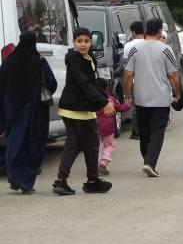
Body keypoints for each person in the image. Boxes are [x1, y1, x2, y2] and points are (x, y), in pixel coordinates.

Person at [54, 28, 115, 195]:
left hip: (81, 108)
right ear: (73, 42)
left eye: (86, 41)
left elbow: (93, 82)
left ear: (91, 42)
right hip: (76, 109)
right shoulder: (74, 60)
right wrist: (103, 102)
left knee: (87, 144)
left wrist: (106, 97)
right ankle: (67, 181)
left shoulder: (88, 58)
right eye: (79, 41)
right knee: (81, 144)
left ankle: (89, 180)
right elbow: (84, 84)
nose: (83, 44)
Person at [0, 32, 57, 194]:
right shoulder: (39, 62)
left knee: (14, 141)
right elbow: (51, 83)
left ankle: (14, 176)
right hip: (34, 111)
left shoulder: (8, 62)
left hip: (12, 109)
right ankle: (25, 182)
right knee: (33, 143)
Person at [124, 18, 181, 178]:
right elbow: (173, 75)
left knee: (144, 131)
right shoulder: (165, 49)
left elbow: (128, 74)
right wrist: (177, 94)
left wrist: (127, 96)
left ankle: (146, 159)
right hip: (161, 98)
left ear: (145, 30)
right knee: (157, 131)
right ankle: (150, 162)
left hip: (141, 98)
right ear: (159, 32)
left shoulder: (135, 49)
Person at [95, 78, 129, 176]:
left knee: (98, 146)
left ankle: (96, 164)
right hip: (108, 128)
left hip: (95, 126)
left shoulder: (92, 98)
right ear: (106, 87)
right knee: (110, 144)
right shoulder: (110, 99)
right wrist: (127, 105)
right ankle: (103, 162)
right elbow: (120, 108)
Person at [122, 21, 145, 140]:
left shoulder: (128, 45)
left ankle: (136, 131)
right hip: (148, 79)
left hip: (134, 80)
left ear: (134, 32)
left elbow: (126, 68)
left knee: (136, 106)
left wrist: (127, 94)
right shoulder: (149, 43)